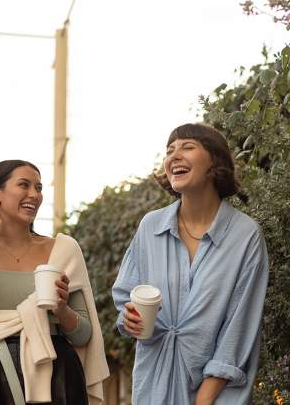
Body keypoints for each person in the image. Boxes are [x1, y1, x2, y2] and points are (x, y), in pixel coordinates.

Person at [112, 123, 269, 404]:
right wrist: (131, 319)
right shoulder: (151, 227)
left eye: (187, 147)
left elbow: (240, 326)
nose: (174, 156)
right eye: (170, 150)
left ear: (215, 162)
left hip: (216, 394)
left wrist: (204, 399)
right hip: (154, 386)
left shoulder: (245, 235)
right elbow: (127, 297)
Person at [0, 160, 109, 405]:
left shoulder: (63, 249)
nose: (34, 194)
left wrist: (62, 309)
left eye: (39, 187)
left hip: (58, 376)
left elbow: (83, 335)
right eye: (24, 185)